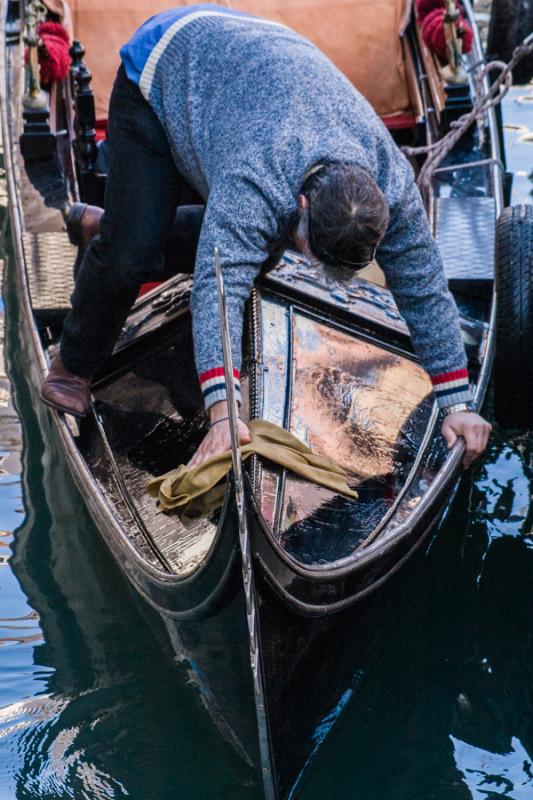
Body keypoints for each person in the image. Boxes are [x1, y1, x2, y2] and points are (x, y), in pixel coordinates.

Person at [40, 3, 491, 469]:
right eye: (307, 249)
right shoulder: (256, 178)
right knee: (130, 255)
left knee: (256, 245)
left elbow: (424, 286)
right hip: (169, 64)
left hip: (258, 77)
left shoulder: (390, 182)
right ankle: (73, 363)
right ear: (302, 205)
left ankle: (116, 221)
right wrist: (223, 415)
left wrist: (457, 402)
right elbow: (220, 286)